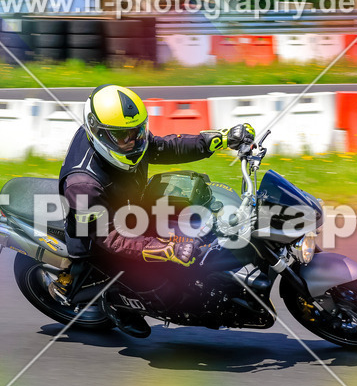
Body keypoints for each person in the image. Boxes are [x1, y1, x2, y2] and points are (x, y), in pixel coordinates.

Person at [57, 84, 254, 338]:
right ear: (99, 134)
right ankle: (118, 304)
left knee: (196, 213)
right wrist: (167, 249)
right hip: (98, 240)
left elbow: (163, 147)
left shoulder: (124, 140)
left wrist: (218, 140)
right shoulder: (83, 186)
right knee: (164, 286)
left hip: (129, 206)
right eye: (124, 135)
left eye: (137, 131)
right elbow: (110, 238)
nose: (134, 140)